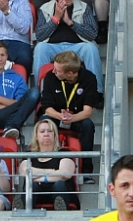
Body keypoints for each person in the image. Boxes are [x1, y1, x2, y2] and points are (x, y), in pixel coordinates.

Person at [38, 50, 99, 181]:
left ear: (70, 73)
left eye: (57, 70)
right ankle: (42, 163)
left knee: (88, 125)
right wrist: (60, 116)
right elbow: (46, 108)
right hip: (56, 116)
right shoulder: (50, 77)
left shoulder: (89, 78)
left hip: (77, 118)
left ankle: (86, 171)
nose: (53, 71)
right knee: (44, 121)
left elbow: (87, 111)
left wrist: (72, 118)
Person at [33, 0, 105, 101]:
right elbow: (40, 36)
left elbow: (92, 33)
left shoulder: (83, 7)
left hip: (77, 46)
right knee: (40, 48)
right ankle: (41, 93)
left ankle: (97, 92)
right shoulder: (45, 8)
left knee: (91, 48)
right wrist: (55, 19)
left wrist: (70, 22)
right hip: (53, 47)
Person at [18, 118, 78, 210]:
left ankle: (60, 210)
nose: (46, 134)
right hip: (37, 195)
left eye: (50, 131)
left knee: (59, 184)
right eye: (42, 131)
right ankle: (23, 210)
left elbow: (65, 174)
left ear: (54, 135)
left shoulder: (64, 152)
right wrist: (53, 172)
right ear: (36, 136)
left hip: (62, 194)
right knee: (32, 185)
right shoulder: (29, 154)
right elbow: (24, 172)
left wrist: (38, 177)